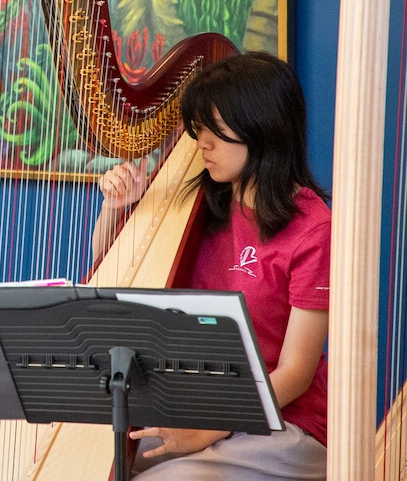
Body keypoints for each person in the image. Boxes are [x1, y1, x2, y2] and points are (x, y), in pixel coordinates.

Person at [96, 51, 329, 480]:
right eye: (198, 128)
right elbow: (110, 278)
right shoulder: (196, 200)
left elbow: (295, 373)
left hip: (278, 421)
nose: (201, 143)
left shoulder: (314, 229)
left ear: (265, 130)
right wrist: (115, 209)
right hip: (189, 403)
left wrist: (206, 429)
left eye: (216, 132)